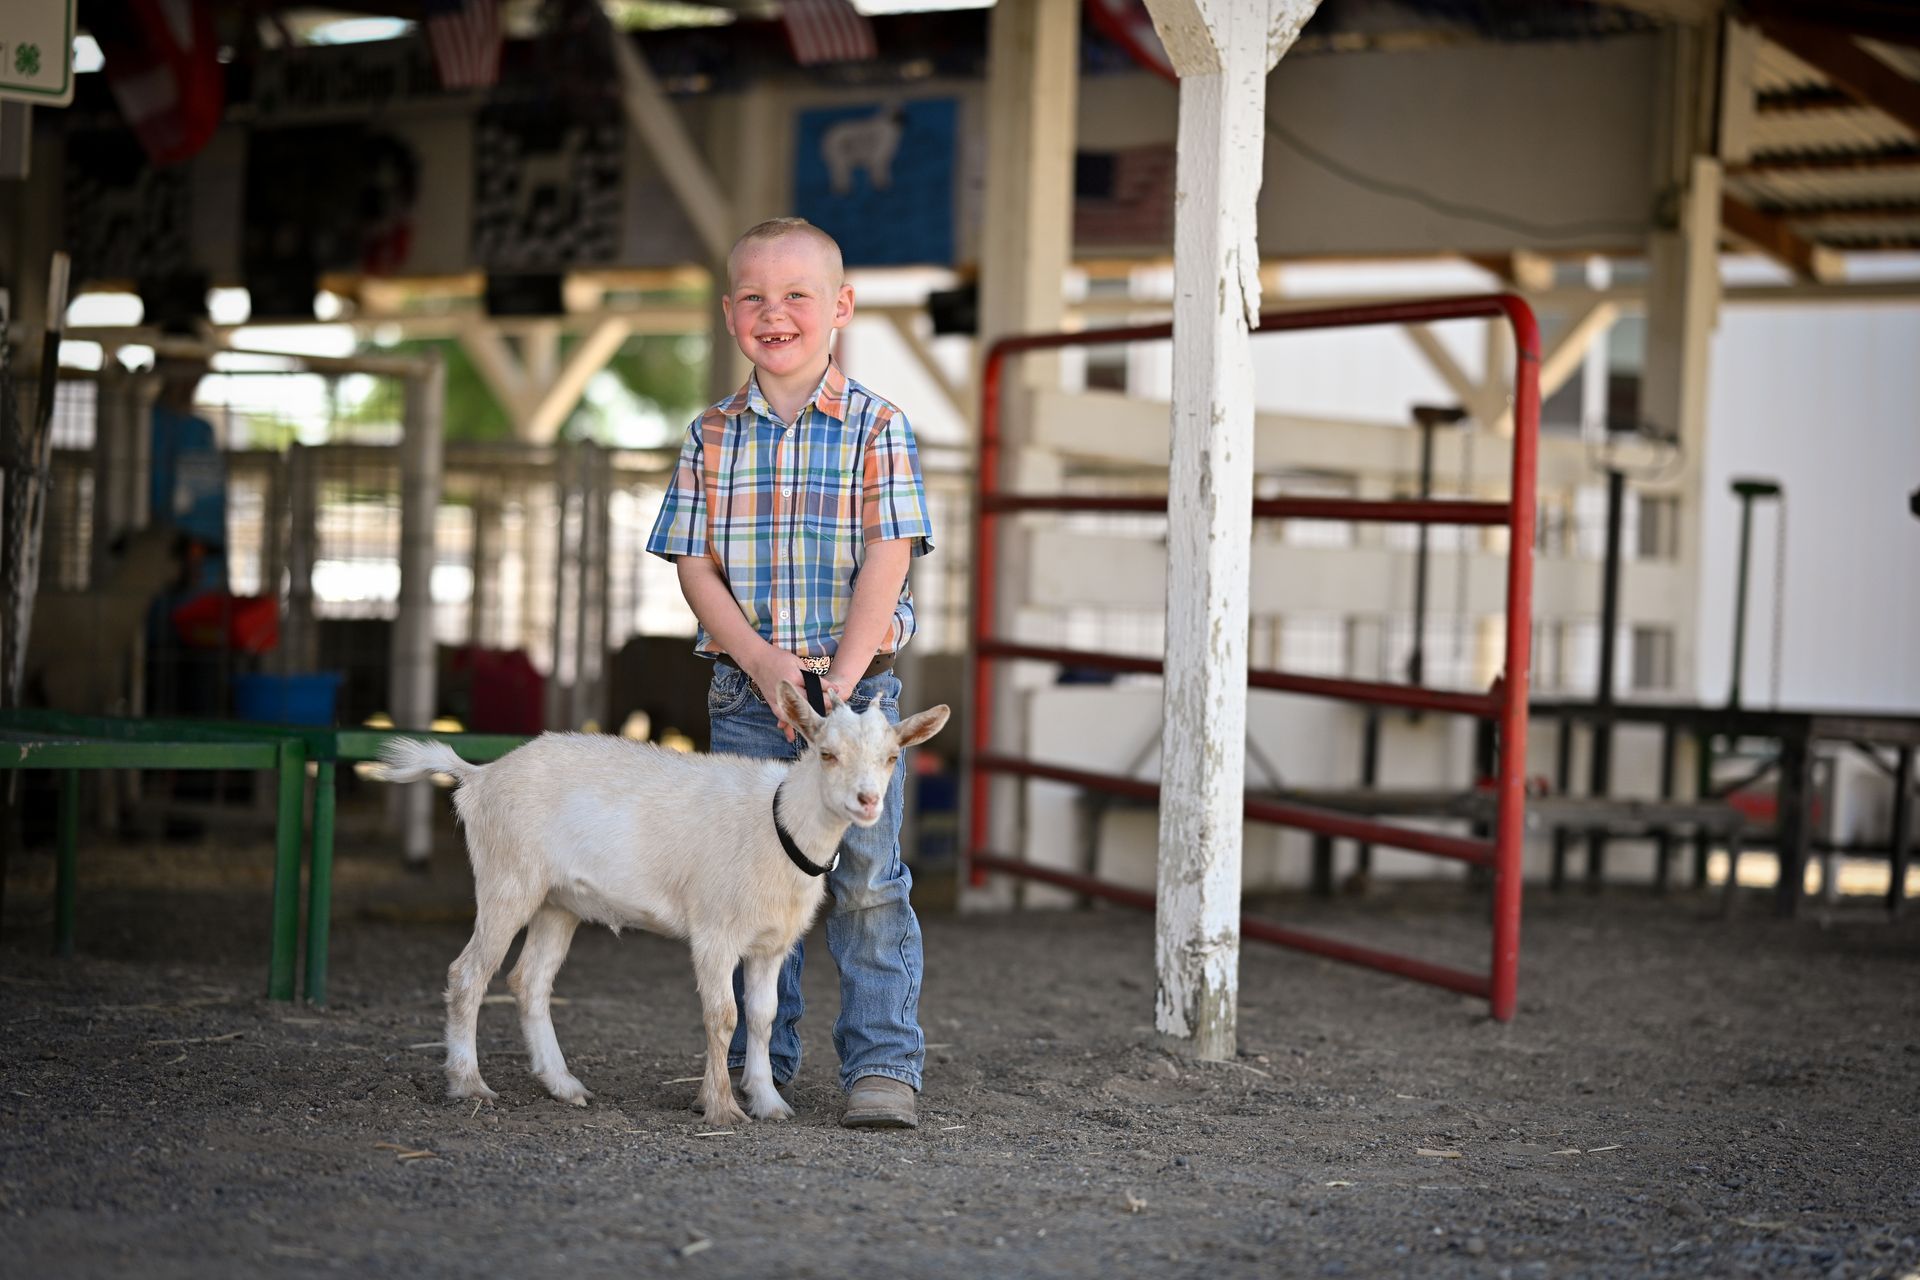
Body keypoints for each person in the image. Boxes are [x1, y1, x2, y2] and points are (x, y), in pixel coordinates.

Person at [646, 217, 935, 1130]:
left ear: (840, 307)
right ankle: (752, 1062)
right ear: (731, 313)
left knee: (863, 879)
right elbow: (695, 567)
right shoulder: (709, 436)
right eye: (756, 298)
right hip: (750, 694)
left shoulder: (878, 426)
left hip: (857, 698)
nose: (777, 314)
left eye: (798, 295)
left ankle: (883, 1064)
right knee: (751, 881)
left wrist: (838, 690)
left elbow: (890, 554)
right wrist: (763, 661)